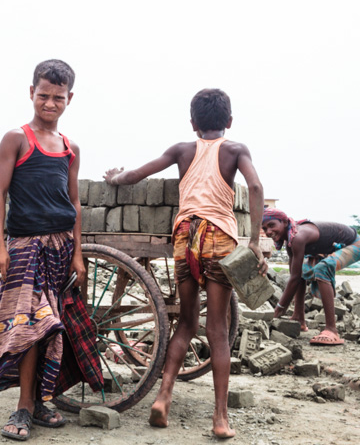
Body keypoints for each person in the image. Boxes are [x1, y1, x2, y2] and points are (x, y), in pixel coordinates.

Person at [104, 88, 265, 440]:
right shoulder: (236, 150)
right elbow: (254, 186)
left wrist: (115, 176)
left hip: (184, 237)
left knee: (187, 322)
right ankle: (220, 419)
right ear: (230, 121)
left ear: (193, 123)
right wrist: (253, 242)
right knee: (218, 331)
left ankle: (163, 398)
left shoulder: (182, 150)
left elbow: (134, 176)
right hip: (219, 238)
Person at [0, 60, 101, 441]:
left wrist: (78, 254)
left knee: (52, 328)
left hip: (60, 247)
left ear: (70, 98)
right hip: (24, 247)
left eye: (58, 97)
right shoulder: (16, 139)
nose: (50, 103)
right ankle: (23, 406)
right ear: (31, 93)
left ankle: (42, 398)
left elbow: (75, 204)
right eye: (43, 95)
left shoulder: (70, 148)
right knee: (30, 327)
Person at [262, 209, 360, 345]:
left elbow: (293, 280)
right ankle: (299, 318)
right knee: (302, 270)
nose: (268, 231)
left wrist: (279, 308)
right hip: (329, 248)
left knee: (322, 268)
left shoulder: (298, 237)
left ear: (283, 222)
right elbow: (296, 275)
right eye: (264, 228)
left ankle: (331, 329)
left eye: (271, 225)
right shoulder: (290, 240)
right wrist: (282, 307)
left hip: (355, 244)